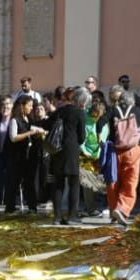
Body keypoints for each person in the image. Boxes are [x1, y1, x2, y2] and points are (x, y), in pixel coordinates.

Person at [101, 84, 140, 225]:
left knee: (113, 181)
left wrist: (102, 141)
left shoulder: (112, 110)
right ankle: (122, 208)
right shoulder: (138, 111)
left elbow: (99, 124)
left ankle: (114, 210)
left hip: (114, 150)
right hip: (132, 150)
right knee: (130, 182)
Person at [48, 87, 90, 224]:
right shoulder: (80, 113)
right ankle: (72, 216)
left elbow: (49, 126)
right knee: (73, 183)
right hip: (72, 150)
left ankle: (57, 217)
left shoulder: (59, 111)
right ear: (82, 101)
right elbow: (82, 137)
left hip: (57, 149)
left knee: (58, 183)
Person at [3, 96, 50, 213]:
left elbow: (34, 128)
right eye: (29, 105)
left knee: (29, 183)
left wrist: (41, 132)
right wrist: (29, 133)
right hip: (16, 158)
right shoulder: (15, 120)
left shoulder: (28, 119)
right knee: (14, 182)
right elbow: (13, 137)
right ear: (22, 106)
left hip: (27, 157)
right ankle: (10, 208)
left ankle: (32, 207)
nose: (31, 108)